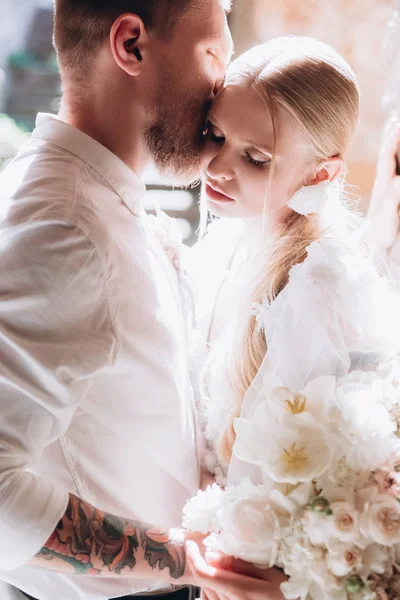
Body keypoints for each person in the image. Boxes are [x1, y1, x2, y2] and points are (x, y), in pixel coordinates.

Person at [0, 1, 286, 600]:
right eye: (212, 55)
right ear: (130, 44)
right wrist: (190, 560)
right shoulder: (67, 228)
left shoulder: (101, 197)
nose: (220, 88)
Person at [187, 37, 400, 491]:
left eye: (256, 158)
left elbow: (284, 494)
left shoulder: (316, 292)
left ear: (322, 174)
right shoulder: (226, 242)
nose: (218, 167)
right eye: (215, 134)